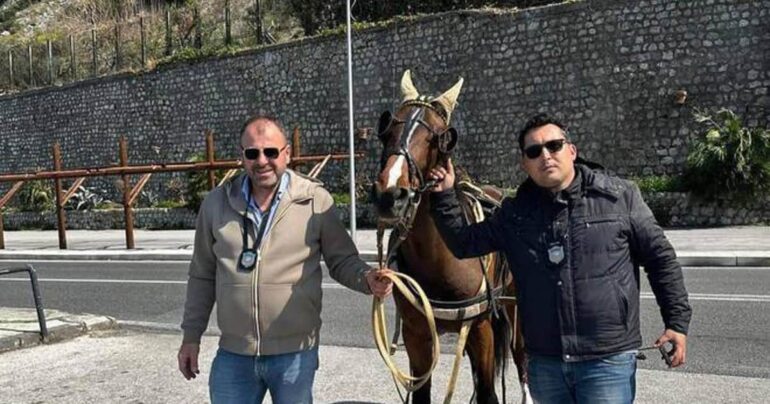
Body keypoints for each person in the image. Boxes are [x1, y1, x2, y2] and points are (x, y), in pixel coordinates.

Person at [427, 113, 692, 403]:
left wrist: (676, 323)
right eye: (534, 151)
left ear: (572, 151)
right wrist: (445, 196)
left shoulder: (619, 197)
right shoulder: (515, 214)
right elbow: (465, 243)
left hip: (606, 361)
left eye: (554, 145)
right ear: (524, 163)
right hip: (546, 363)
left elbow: (660, 260)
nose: (546, 156)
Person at [177, 114, 393, 403]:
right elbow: (202, 274)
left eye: (271, 152)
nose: (262, 160)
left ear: (287, 154)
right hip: (234, 356)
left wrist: (367, 279)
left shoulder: (315, 200)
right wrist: (191, 337)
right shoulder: (216, 203)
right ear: (242, 157)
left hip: (294, 357)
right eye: (252, 153)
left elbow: (342, 260)